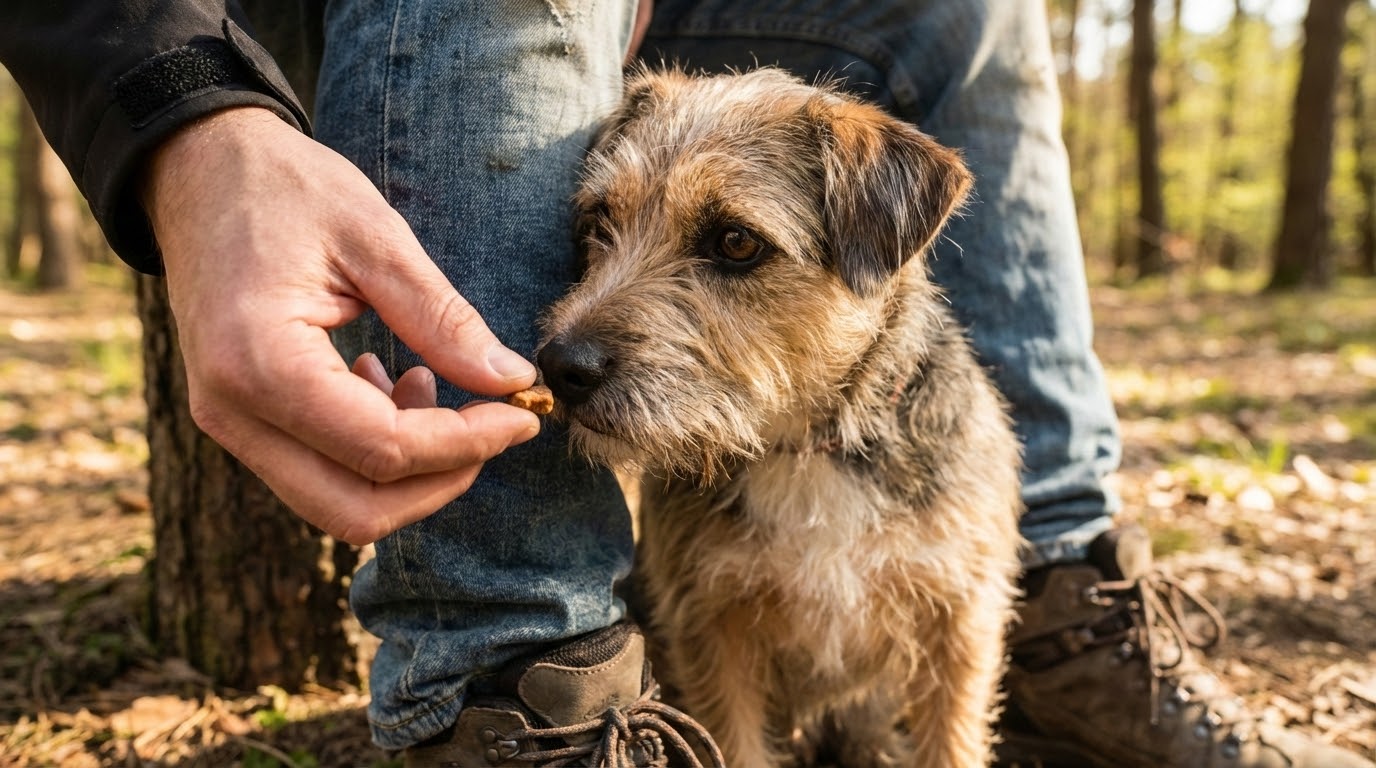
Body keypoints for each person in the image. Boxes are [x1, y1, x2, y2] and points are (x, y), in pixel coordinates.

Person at [2, 2, 1369, 766]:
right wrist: (179, 110)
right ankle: (517, 678)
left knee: (970, 6)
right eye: (599, 234)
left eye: (730, 251)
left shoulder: (872, 201)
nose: (576, 333)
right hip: (373, 35)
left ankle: (1063, 590)